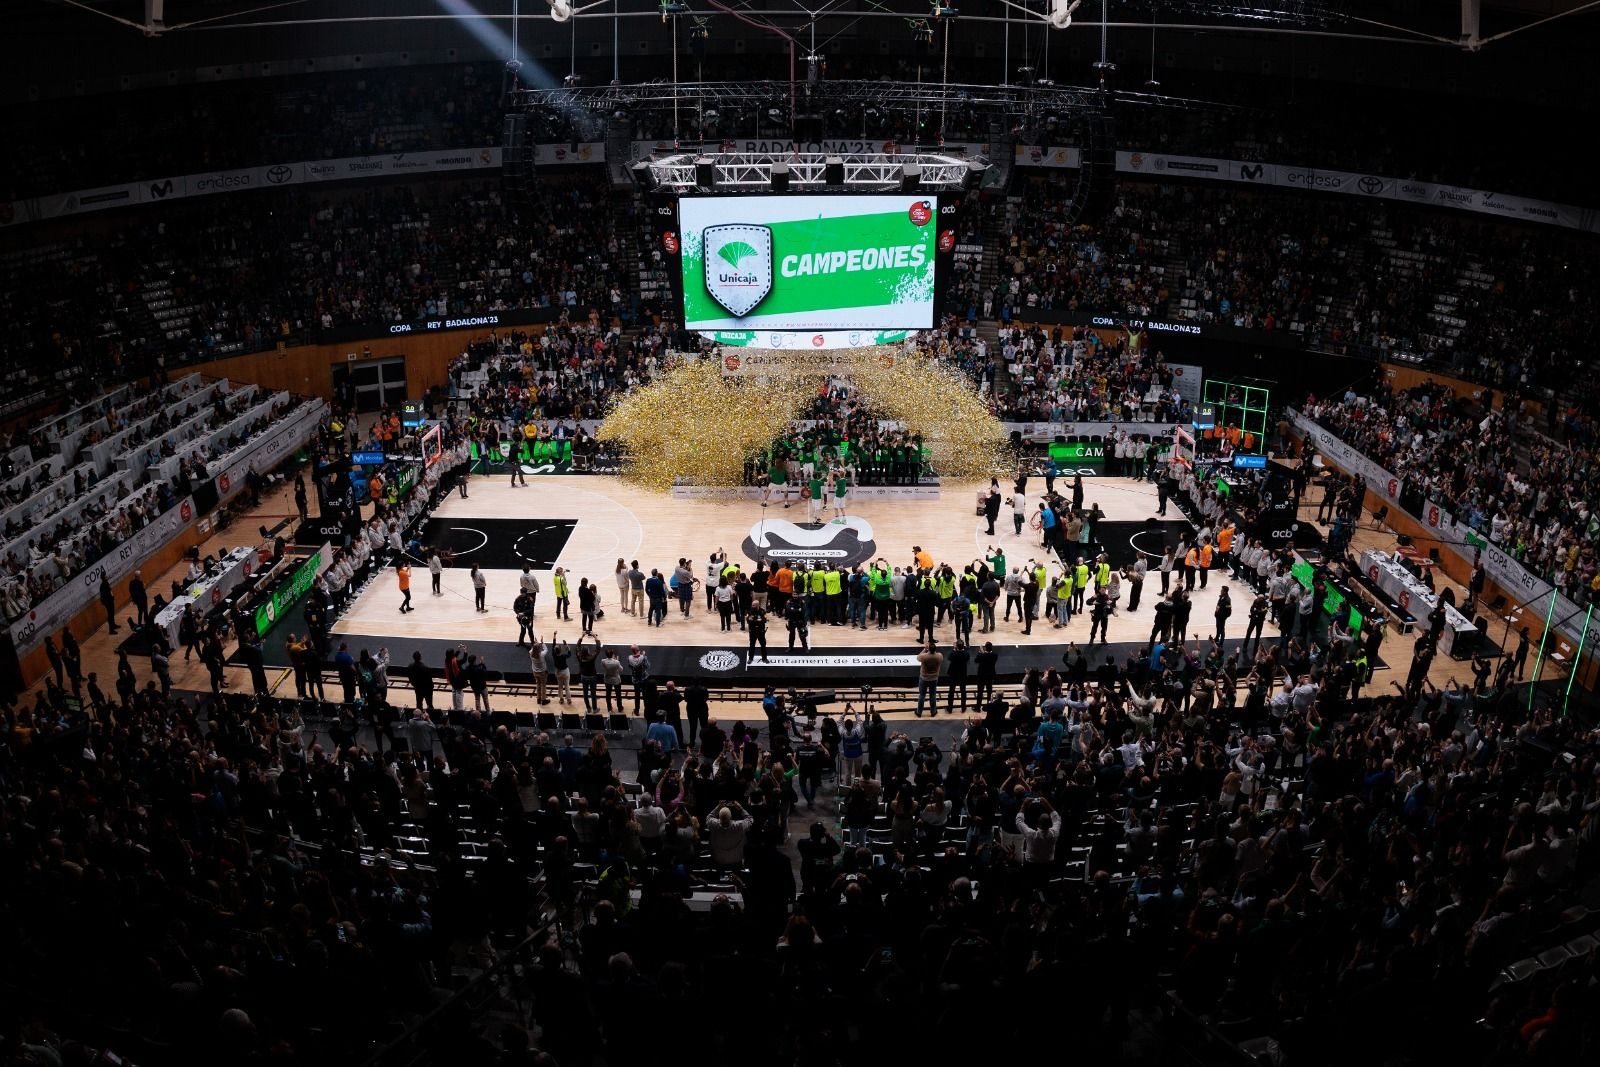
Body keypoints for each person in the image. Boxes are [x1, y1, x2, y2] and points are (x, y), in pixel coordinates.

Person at [915, 639, 942, 717]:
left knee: (922, 695)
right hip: (934, 678)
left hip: (924, 678)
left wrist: (925, 649)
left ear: (929, 649)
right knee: (933, 695)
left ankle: (919, 712)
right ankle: (933, 712)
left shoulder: (924, 656)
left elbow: (918, 657)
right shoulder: (939, 656)